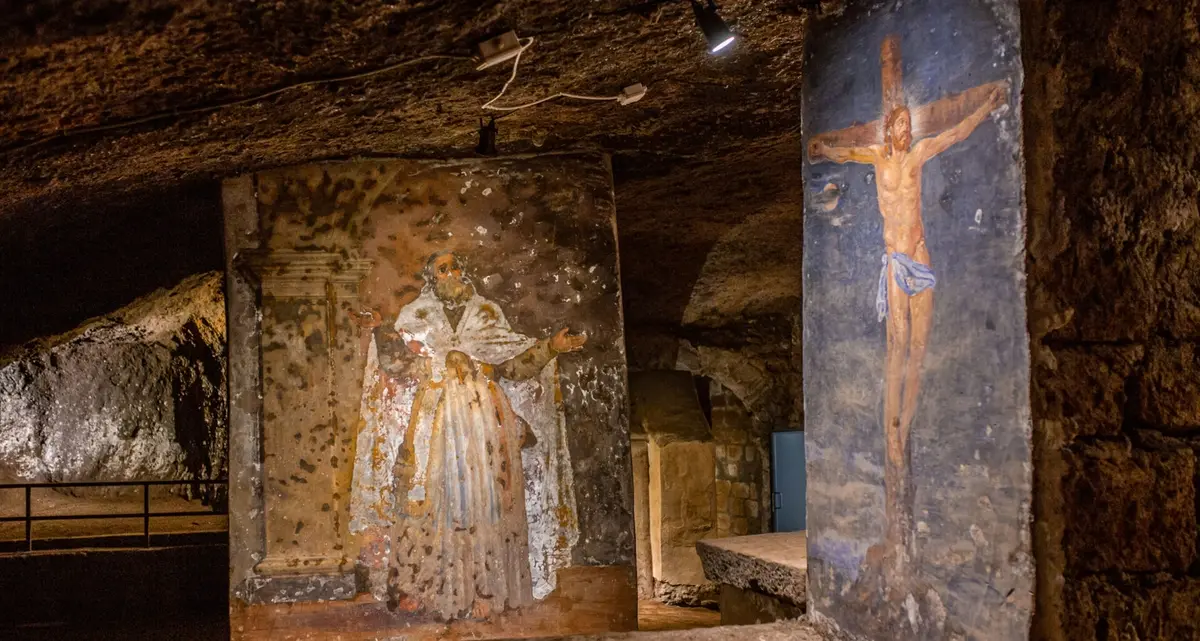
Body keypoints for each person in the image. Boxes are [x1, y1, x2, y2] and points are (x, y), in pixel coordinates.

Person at [808, 85, 1006, 580]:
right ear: (889, 129)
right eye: (897, 125)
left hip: (919, 256)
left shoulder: (919, 153)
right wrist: (823, 148)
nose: (903, 131)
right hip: (896, 260)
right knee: (896, 346)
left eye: (906, 125)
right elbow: (845, 152)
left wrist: (986, 107)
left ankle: (906, 424)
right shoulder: (877, 156)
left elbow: (955, 133)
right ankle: (891, 433)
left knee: (920, 350)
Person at [349, 250, 585, 620]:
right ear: (432, 278)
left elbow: (513, 366)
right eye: (443, 269)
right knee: (431, 502)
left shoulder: (486, 313)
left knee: (485, 503)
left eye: (456, 266)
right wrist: (381, 330)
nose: (452, 273)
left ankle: (484, 591)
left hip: (484, 423)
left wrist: (551, 348)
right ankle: (423, 588)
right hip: (434, 422)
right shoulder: (416, 315)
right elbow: (397, 365)